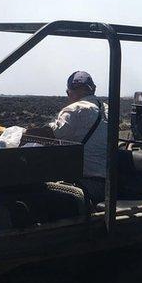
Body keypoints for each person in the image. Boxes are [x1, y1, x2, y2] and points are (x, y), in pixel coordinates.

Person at [33, 71, 109, 204]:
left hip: (85, 183)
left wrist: (24, 134)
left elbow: (51, 135)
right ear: (94, 89)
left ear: (69, 92)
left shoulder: (75, 109)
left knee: (36, 196)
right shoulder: (107, 109)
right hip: (108, 184)